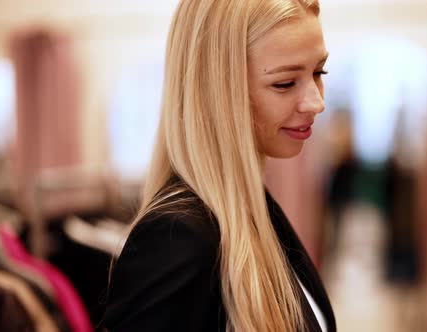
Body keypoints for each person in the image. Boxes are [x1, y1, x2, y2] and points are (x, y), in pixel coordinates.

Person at [103, 0, 336, 331]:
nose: (317, 101)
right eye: (285, 83)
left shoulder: (250, 207)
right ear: (217, 90)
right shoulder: (176, 240)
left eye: (318, 72)